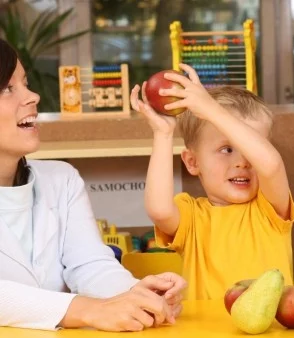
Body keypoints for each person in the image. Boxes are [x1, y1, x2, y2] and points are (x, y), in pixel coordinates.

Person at [0, 39, 187, 331]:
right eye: (8, 89)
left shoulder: (62, 180)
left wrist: (138, 295)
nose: (33, 96)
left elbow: (89, 266)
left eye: (25, 83)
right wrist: (88, 311)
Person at [131, 63, 294, 300]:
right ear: (192, 162)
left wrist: (211, 110)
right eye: (227, 149)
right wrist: (163, 134)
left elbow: (271, 166)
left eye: (250, 148)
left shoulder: (270, 209)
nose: (243, 162)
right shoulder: (192, 216)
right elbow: (158, 210)